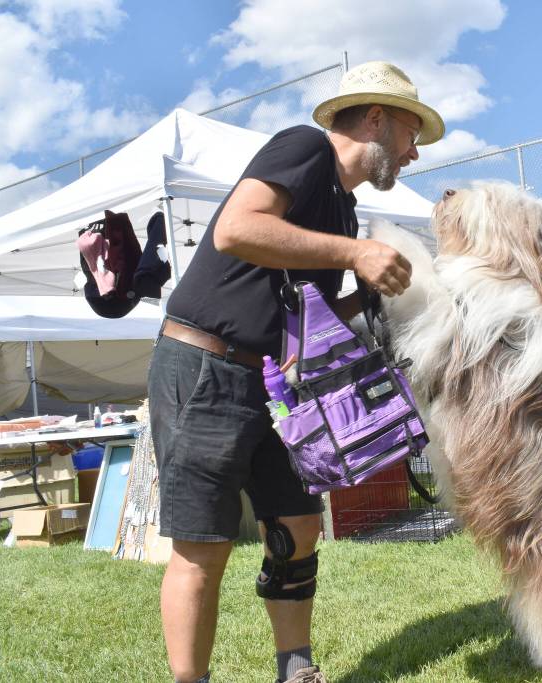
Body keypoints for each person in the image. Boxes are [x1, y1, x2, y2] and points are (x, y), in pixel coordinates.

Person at [147, 61, 444, 683]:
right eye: (413, 135)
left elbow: (302, 312)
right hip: (207, 366)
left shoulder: (341, 206)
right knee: (203, 546)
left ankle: (296, 669)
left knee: (300, 526)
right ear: (376, 119)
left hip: (275, 384)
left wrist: (374, 298)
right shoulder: (303, 147)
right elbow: (236, 230)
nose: (414, 153)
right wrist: (356, 253)